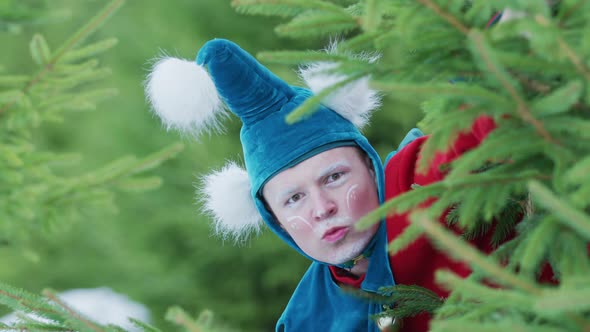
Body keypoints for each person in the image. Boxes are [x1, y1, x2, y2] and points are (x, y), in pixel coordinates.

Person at [144, 38, 500, 332]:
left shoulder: (419, 179)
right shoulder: (304, 320)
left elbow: (488, 105)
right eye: (294, 198)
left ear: (369, 165)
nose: (321, 207)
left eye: (333, 177)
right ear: (274, 219)